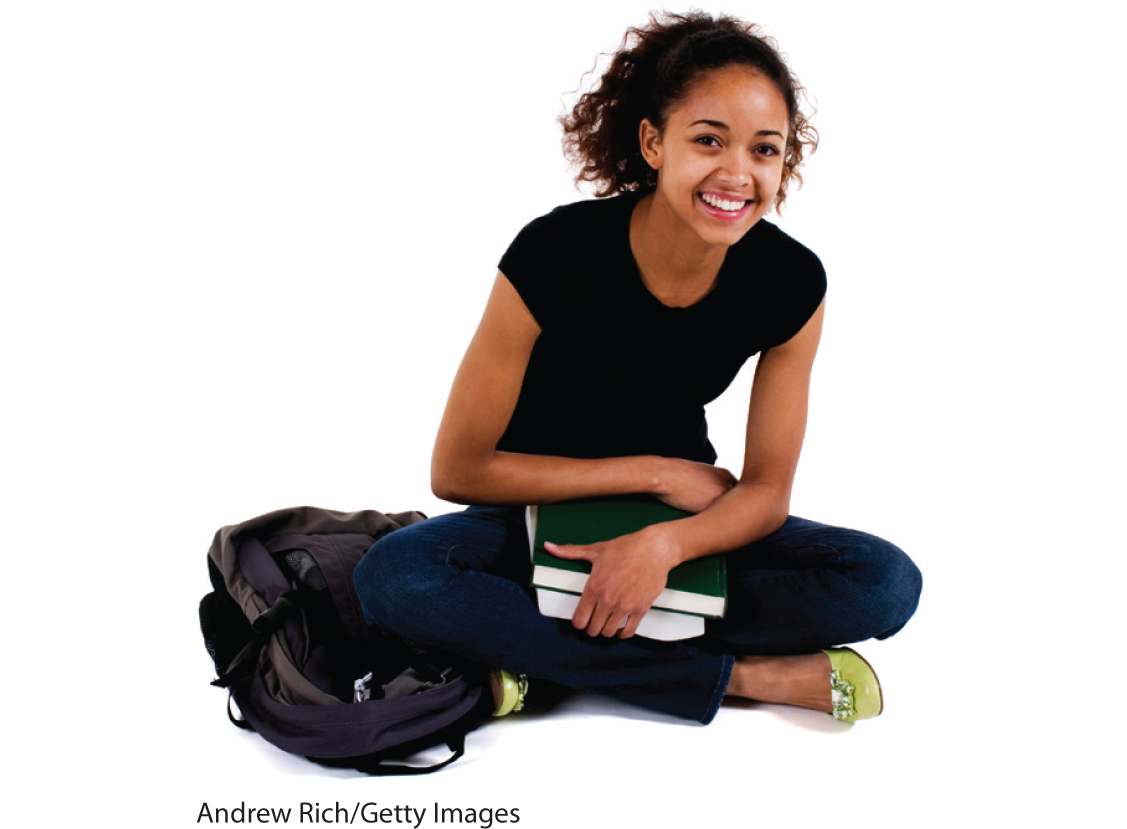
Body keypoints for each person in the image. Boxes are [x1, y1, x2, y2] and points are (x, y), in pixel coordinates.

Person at [354, 11, 921, 725]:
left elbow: (766, 491)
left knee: (884, 581)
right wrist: (652, 472)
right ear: (654, 142)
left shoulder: (791, 282)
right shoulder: (553, 254)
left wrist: (663, 545)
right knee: (397, 577)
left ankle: (545, 661)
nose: (736, 174)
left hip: (684, 522)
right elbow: (458, 471)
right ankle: (741, 676)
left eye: (764, 150)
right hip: (533, 518)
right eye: (708, 140)